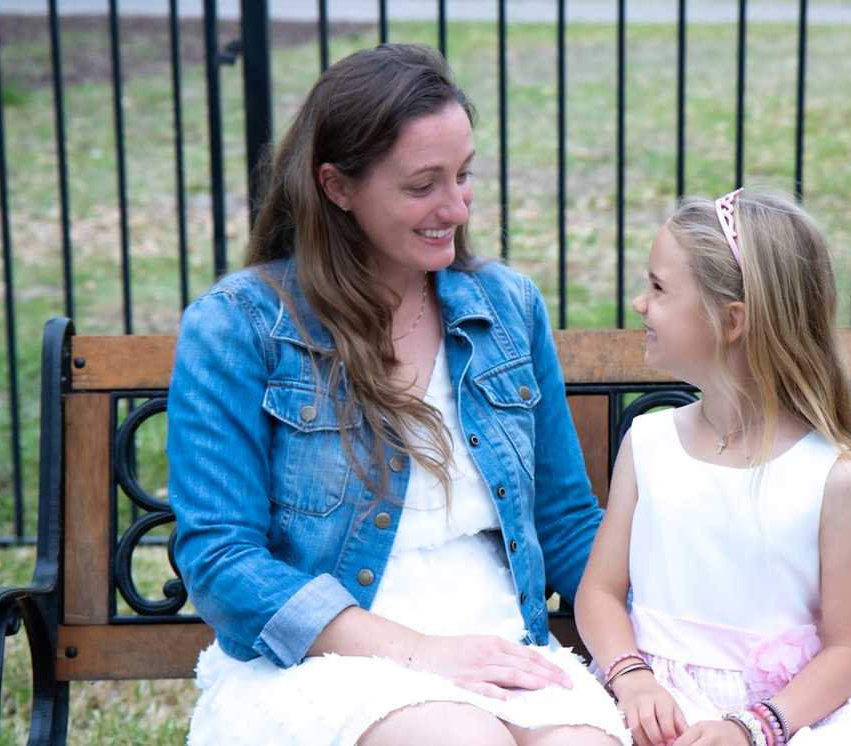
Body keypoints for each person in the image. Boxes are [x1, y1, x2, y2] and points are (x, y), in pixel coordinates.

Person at [166, 43, 628, 746]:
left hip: (501, 641)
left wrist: (646, 652)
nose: (455, 206)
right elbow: (222, 559)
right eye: (422, 186)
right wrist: (420, 652)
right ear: (338, 186)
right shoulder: (240, 325)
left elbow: (562, 519)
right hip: (323, 659)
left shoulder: (506, 307)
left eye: (464, 175)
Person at [574, 188, 851, 746]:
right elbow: (599, 592)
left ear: (731, 320)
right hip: (653, 710)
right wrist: (631, 677)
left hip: (780, 720)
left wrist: (754, 727)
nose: (641, 303)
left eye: (659, 287)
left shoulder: (835, 478)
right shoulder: (648, 442)